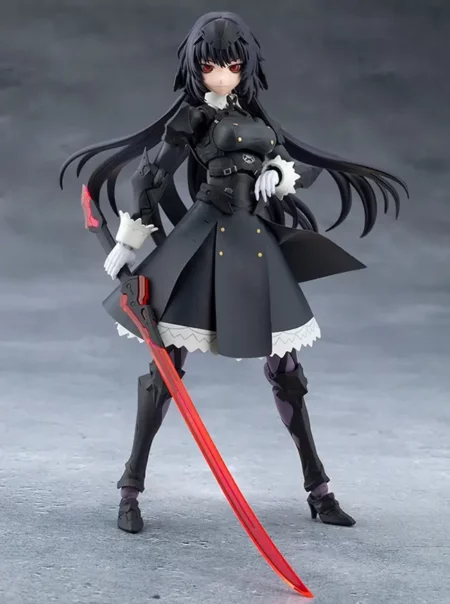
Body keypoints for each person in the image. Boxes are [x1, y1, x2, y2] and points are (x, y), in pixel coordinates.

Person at [60, 11, 407, 534]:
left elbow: (293, 164)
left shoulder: (257, 118)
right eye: (210, 66)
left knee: (288, 374)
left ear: (246, 66)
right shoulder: (193, 119)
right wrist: (130, 240)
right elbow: (149, 177)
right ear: (195, 68)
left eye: (232, 65)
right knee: (165, 370)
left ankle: (319, 489)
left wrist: (278, 173)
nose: (222, 75)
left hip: (252, 246)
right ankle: (130, 488)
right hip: (200, 242)